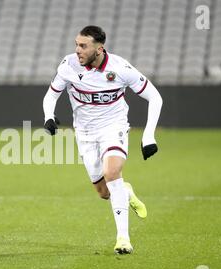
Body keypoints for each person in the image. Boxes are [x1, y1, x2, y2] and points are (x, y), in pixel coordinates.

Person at [42, 26, 163, 254]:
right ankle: (125, 191)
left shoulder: (120, 68)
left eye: (83, 46)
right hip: (85, 134)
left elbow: (155, 97)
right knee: (104, 192)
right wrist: (49, 116)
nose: (77, 50)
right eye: (77, 44)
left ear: (99, 49)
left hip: (113, 128)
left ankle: (123, 239)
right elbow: (51, 95)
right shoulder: (69, 65)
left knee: (112, 172)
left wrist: (148, 136)